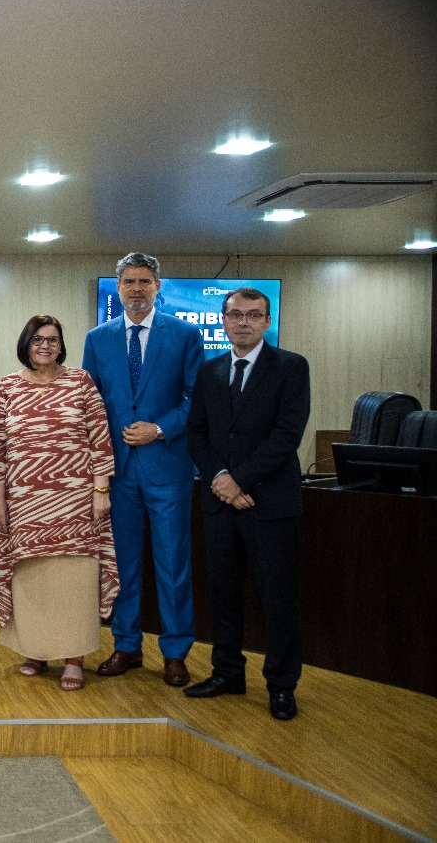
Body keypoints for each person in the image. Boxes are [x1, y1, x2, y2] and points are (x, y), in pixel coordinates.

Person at [185, 288, 310, 720]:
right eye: (235, 314)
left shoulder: (291, 367)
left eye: (253, 315)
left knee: (277, 597)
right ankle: (227, 673)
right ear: (222, 319)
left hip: (269, 503)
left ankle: (281, 685)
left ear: (267, 320)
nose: (243, 322)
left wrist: (238, 480)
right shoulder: (210, 370)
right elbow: (196, 432)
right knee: (223, 593)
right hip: (220, 503)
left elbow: (287, 435)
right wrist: (220, 479)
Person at [81, 252, 203, 687]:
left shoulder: (186, 335)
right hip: (117, 473)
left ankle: (174, 652)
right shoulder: (98, 338)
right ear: (118, 288)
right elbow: (90, 405)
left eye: (144, 281)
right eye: (129, 282)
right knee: (124, 564)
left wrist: (159, 428)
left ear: (158, 286)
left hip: (167, 468)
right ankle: (127, 646)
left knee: (173, 565)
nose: (136, 288)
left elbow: (195, 400)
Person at [0, 315, 120, 690]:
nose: (45, 346)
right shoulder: (7, 387)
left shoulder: (80, 381)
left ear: (61, 345)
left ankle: (74, 657)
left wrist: (101, 490)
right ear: (26, 344)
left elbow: (100, 438)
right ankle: (36, 649)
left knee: (72, 581)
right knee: (34, 579)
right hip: (24, 503)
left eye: (53, 340)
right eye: (38, 339)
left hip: (75, 503)